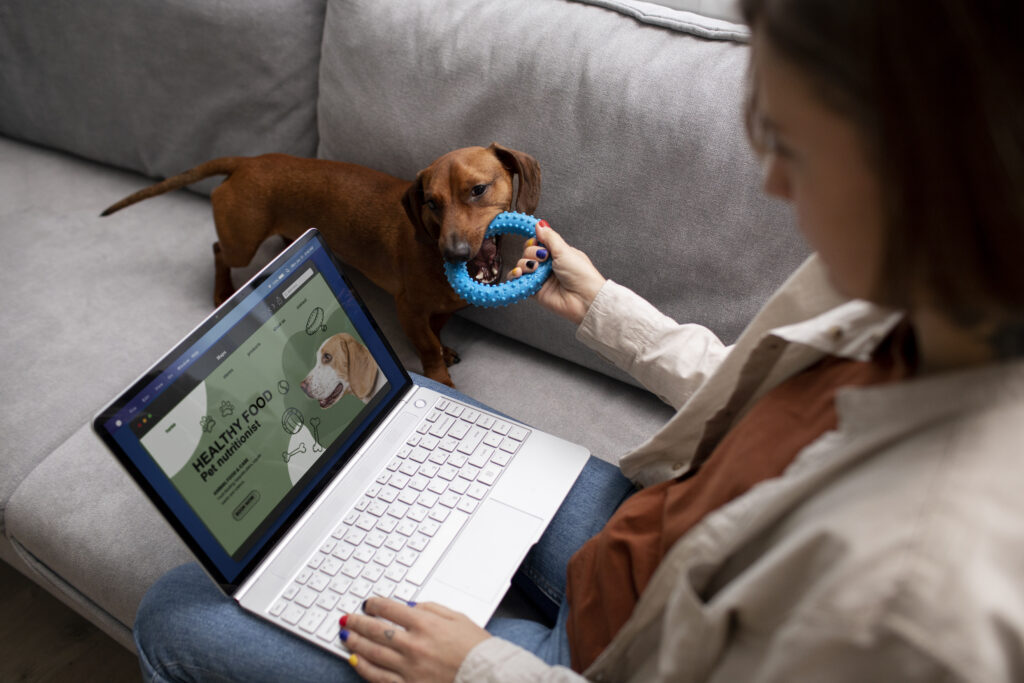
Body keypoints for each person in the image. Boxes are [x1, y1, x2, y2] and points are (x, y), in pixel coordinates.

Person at [134, 1, 1024, 681]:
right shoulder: (907, 279)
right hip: (633, 528)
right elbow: (770, 399)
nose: (774, 180)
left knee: (175, 613)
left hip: (600, 652)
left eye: (788, 138)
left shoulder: (920, 600)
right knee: (403, 404)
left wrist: (476, 665)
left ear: (935, 161)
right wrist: (605, 308)